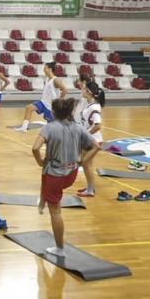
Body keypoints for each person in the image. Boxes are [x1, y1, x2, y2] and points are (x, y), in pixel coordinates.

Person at [31, 98, 100, 257]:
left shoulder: (49, 128)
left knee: (55, 212)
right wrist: (82, 161)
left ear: (53, 112)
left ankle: (60, 249)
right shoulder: (78, 128)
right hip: (71, 174)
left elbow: (35, 148)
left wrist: (39, 161)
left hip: (55, 176)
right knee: (45, 173)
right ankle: (41, 203)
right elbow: (96, 146)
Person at [14, 62, 67, 132]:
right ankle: (24, 128)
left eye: (45, 68)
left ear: (50, 69)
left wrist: (59, 101)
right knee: (29, 108)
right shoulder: (47, 79)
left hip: (51, 105)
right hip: (43, 102)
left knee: (51, 125)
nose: (44, 70)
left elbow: (65, 90)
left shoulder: (55, 80)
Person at [76, 82, 106, 198]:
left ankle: (90, 190)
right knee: (87, 165)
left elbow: (97, 125)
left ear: (89, 92)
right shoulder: (90, 104)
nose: (82, 91)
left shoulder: (94, 107)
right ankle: (90, 188)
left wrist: (85, 134)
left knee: (85, 164)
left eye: (84, 89)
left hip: (93, 141)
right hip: (90, 140)